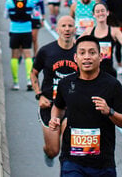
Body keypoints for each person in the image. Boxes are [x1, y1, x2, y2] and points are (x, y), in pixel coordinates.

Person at [49, 34, 122, 176]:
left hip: (103, 164)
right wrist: (55, 118)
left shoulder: (112, 85)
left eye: (92, 53)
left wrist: (109, 111)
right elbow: (58, 107)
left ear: (100, 57)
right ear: (76, 58)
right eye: (82, 53)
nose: (87, 57)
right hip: (72, 161)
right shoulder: (66, 84)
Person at [31, 15, 78, 166]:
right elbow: (34, 73)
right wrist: (39, 95)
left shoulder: (80, 52)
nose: (67, 29)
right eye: (63, 26)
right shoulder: (46, 51)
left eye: (70, 26)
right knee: (53, 150)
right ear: (57, 29)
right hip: (50, 106)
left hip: (72, 106)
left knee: (68, 149)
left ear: (75, 29)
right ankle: (48, 152)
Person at [84, 3, 122, 77]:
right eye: (97, 11)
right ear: (93, 14)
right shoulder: (89, 31)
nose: (100, 13)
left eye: (102, 11)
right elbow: (76, 45)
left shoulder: (114, 31)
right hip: (91, 72)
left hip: (108, 73)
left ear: (107, 13)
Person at [6, 0, 35, 90]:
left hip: (14, 30)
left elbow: (6, 15)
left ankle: (16, 82)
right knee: (28, 54)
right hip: (26, 29)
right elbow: (33, 13)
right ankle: (29, 80)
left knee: (14, 55)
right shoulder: (30, 1)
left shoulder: (9, 2)